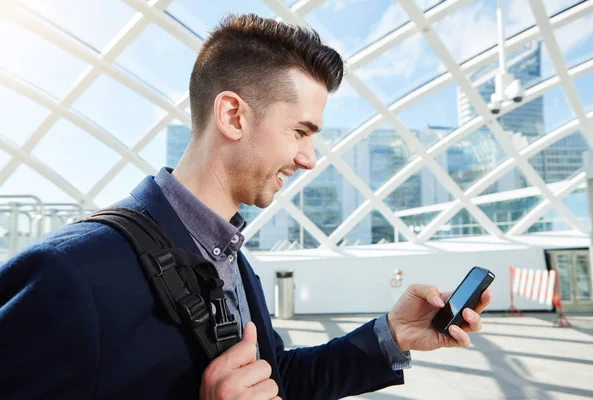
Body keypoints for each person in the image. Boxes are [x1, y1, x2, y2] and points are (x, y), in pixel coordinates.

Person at [0, 14, 491, 400]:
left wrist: (392, 334)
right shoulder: (71, 272)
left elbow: (276, 381)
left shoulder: (231, 261)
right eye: (300, 132)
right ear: (233, 115)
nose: (308, 159)